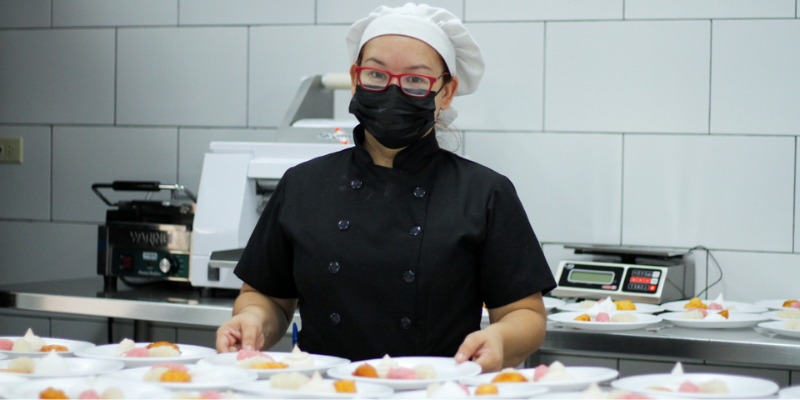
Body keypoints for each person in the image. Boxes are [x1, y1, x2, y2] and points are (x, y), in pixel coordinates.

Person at [216, 3, 556, 372]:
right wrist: (252, 320)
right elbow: (267, 297)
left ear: (446, 92)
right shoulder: (302, 184)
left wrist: (502, 339)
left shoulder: (484, 193)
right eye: (376, 75)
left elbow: (526, 314)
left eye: (415, 79)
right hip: (324, 390)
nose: (393, 90)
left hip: (434, 392)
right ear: (355, 77)